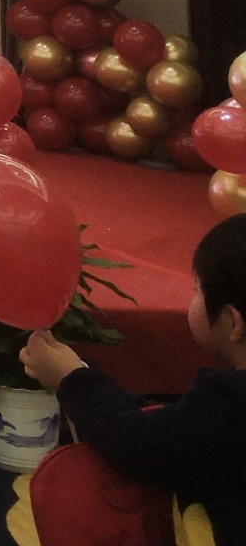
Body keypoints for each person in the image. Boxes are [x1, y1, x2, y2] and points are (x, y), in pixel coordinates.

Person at [20, 214, 246, 543]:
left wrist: (72, 380)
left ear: (232, 322)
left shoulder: (228, 403)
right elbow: (168, 425)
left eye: (196, 290)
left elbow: (138, 443)